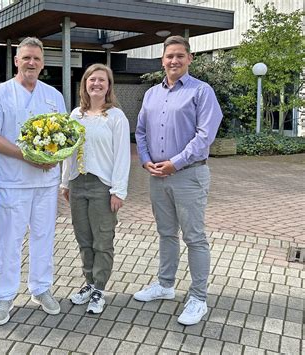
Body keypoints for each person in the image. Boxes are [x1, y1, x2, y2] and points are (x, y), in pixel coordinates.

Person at [0, 37, 66, 326]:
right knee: (10, 241)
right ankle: (3, 296)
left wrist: (56, 158)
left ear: (43, 63)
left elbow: (64, 135)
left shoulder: (54, 96)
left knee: (44, 237)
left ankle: (41, 288)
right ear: (16, 60)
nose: (31, 63)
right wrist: (27, 156)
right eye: (26, 57)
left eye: (36, 59)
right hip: (13, 182)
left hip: (46, 182)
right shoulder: (1, 94)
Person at [134, 35, 222, 326]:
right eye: (169, 56)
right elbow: (141, 132)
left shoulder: (202, 91)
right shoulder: (151, 94)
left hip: (188, 174)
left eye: (179, 56)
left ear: (189, 58)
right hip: (157, 175)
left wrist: (175, 163)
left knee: (194, 237)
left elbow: (205, 135)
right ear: (162, 60)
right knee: (166, 233)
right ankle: (166, 285)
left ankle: (198, 298)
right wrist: (146, 159)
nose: (174, 61)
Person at [61, 63, 130, 314]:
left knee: (103, 240)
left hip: (103, 186)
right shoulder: (75, 115)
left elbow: (123, 155)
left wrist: (118, 190)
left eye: (102, 80)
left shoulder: (115, 117)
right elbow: (67, 152)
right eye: (92, 80)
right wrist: (65, 182)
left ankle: (100, 287)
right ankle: (89, 283)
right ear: (85, 84)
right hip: (78, 183)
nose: (96, 84)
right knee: (84, 239)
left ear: (109, 86)